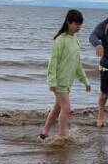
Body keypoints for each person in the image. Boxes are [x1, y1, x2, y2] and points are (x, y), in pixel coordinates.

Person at [39, 9, 91, 140]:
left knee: (57, 108)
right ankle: (62, 136)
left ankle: (44, 132)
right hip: (59, 81)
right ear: (68, 22)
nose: (78, 27)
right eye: (76, 24)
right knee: (66, 108)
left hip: (68, 82)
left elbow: (77, 64)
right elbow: (53, 62)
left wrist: (85, 81)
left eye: (80, 24)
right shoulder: (60, 40)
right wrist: (52, 82)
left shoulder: (75, 41)